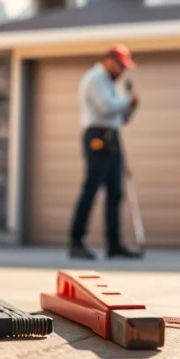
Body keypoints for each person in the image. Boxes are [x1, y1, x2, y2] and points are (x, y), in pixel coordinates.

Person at [68, 44, 142, 260]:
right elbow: (106, 107)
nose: (122, 71)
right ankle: (76, 241)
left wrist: (131, 108)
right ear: (109, 61)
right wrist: (127, 99)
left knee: (115, 192)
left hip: (113, 137)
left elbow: (119, 118)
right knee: (91, 188)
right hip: (97, 137)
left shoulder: (111, 84)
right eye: (120, 66)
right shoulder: (94, 79)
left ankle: (114, 243)